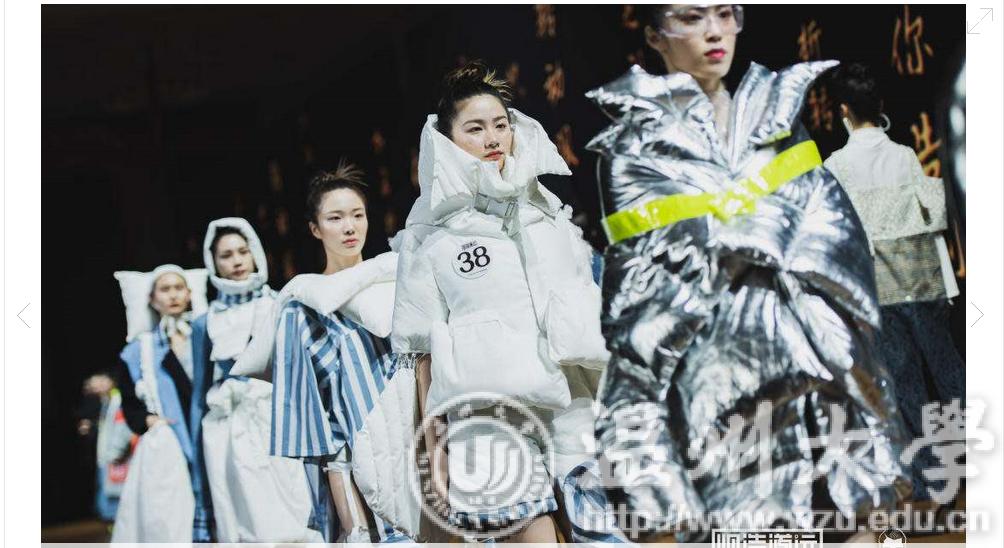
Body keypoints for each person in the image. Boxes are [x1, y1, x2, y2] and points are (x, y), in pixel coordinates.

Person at [585, 4, 909, 540]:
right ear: (655, 36)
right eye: (692, 17)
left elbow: (833, 242)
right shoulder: (632, 152)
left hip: (819, 375)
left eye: (725, 13)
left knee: (860, 525)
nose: (715, 31)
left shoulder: (776, 120)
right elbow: (644, 301)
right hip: (723, 399)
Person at [391, 61, 617, 543]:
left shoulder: (549, 214)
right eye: (475, 128)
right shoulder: (428, 235)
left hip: (573, 406)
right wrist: (435, 455)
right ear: (447, 140)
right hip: (490, 420)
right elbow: (421, 355)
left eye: (500, 124)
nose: (493, 138)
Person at [233, 162, 416, 543]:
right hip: (367, 464)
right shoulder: (304, 307)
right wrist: (355, 527)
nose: (350, 227)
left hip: (424, 443)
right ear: (315, 228)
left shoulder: (399, 280)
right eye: (335, 218)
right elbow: (323, 433)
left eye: (357, 215)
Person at [825, 62, 964, 507]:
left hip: (880, 289)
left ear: (843, 111)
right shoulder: (904, 154)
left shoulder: (836, 166)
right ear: (878, 106)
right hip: (924, 280)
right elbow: (931, 219)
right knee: (951, 374)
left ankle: (931, 486)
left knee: (907, 388)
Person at [191, 217, 319, 542]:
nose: (236, 261)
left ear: (254, 253)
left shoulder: (280, 303)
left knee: (298, 509)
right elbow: (199, 392)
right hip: (230, 429)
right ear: (213, 262)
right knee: (252, 519)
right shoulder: (207, 321)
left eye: (242, 251)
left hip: (280, 419)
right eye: (226, 255)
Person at [112, 265, 214, 542]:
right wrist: (150, 421)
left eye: (179, 288)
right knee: (172, 521)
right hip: (170, 446)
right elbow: (130, 403)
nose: (173, 295)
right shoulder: (138, 351)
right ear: (152, 299)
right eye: (165, 289)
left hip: (209, 436)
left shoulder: (208, 336)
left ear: (189, 293)